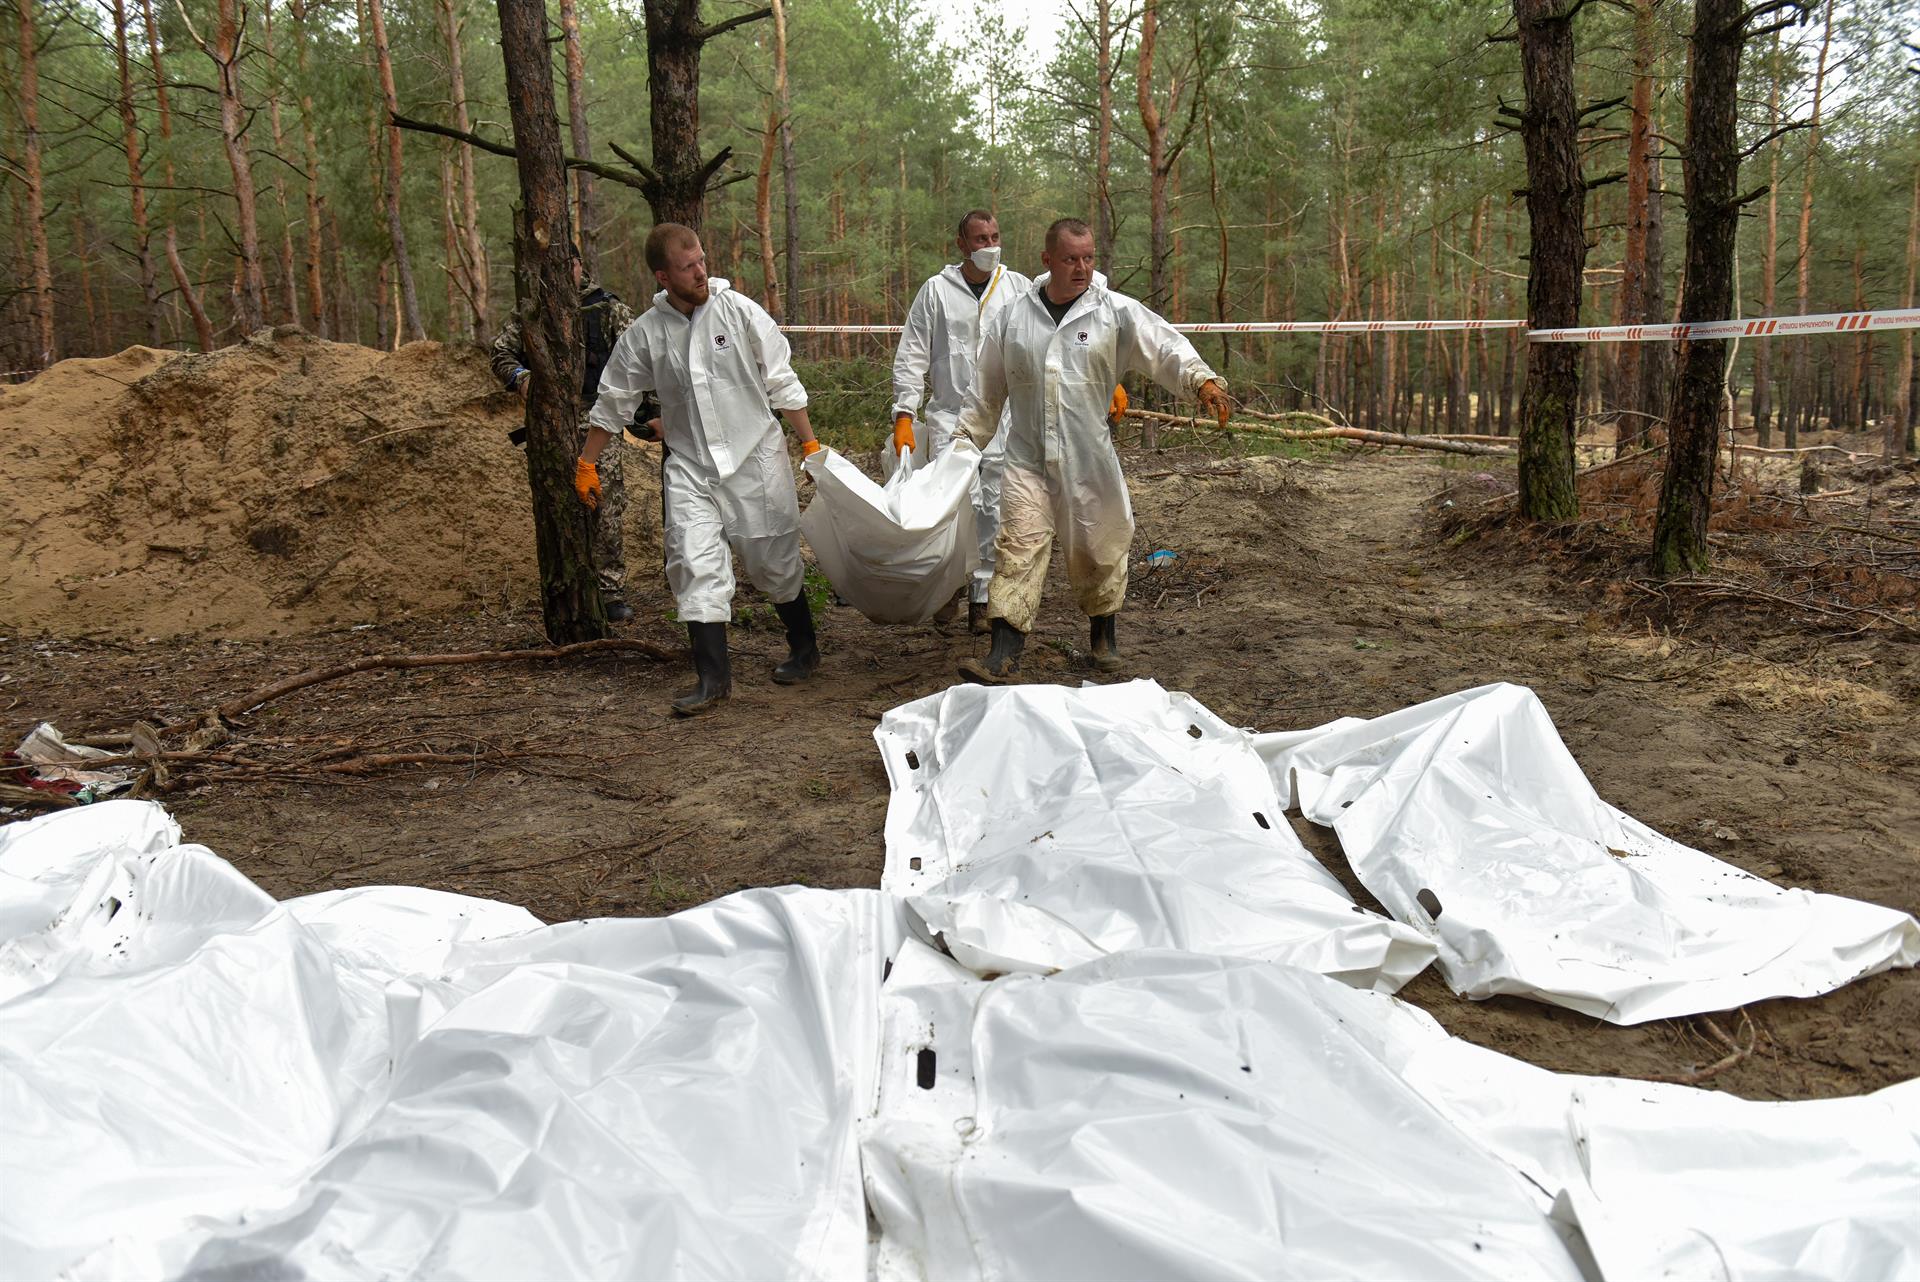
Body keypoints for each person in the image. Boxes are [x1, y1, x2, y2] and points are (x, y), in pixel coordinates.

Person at [951, 217, 1232, 684]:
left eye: (1087, 258)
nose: (1080, 268)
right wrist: (964, 442)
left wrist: (1200, 380)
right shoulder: (1014, 317)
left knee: (1099, 549)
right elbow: (986, 389)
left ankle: (1104, 633)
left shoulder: (1114, 312)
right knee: (1017, 548)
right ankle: (1003, 654)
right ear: (1047, 260)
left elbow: (1164, 347)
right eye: (1069, 259)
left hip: (1089, 460)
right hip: (1027, 459)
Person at [580, 223, 825, 717]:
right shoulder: (646, 334)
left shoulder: (739, 312)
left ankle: (804, 648)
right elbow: (613, 400)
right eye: (688, 266)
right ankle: (713, 678)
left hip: (755, 458)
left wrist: (810, 444)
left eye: (702, 261)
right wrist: (586, 461)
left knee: (772, 561)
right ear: (663, 275)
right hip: (690, 467)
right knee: (693, 561)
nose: (701, 271)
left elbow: (782, 378)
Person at [890, 209, 1033, 633]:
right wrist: (904, 411)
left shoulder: (1017, 287)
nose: (989, 246)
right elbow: (912, 352)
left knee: (993, 506)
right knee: (953, 504)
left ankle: (983, 597)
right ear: (961, 244)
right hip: (950, 415)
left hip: (1002, 417)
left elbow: (1072, 303)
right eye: (980, 239)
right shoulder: (936, 291)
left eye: (994, 236)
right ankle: (949, 584)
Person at [490, 259, 641, 621]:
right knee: (558, 505)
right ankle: (565, 588)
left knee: (604, 506)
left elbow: (638, 358)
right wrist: (521, 377)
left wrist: (642, 414)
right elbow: (500, 354)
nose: (558, 274)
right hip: (549, 423)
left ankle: (610, 592)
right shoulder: (530, 312)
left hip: (599, 422)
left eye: (566, 265)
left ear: (578, 265)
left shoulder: (608, 308)